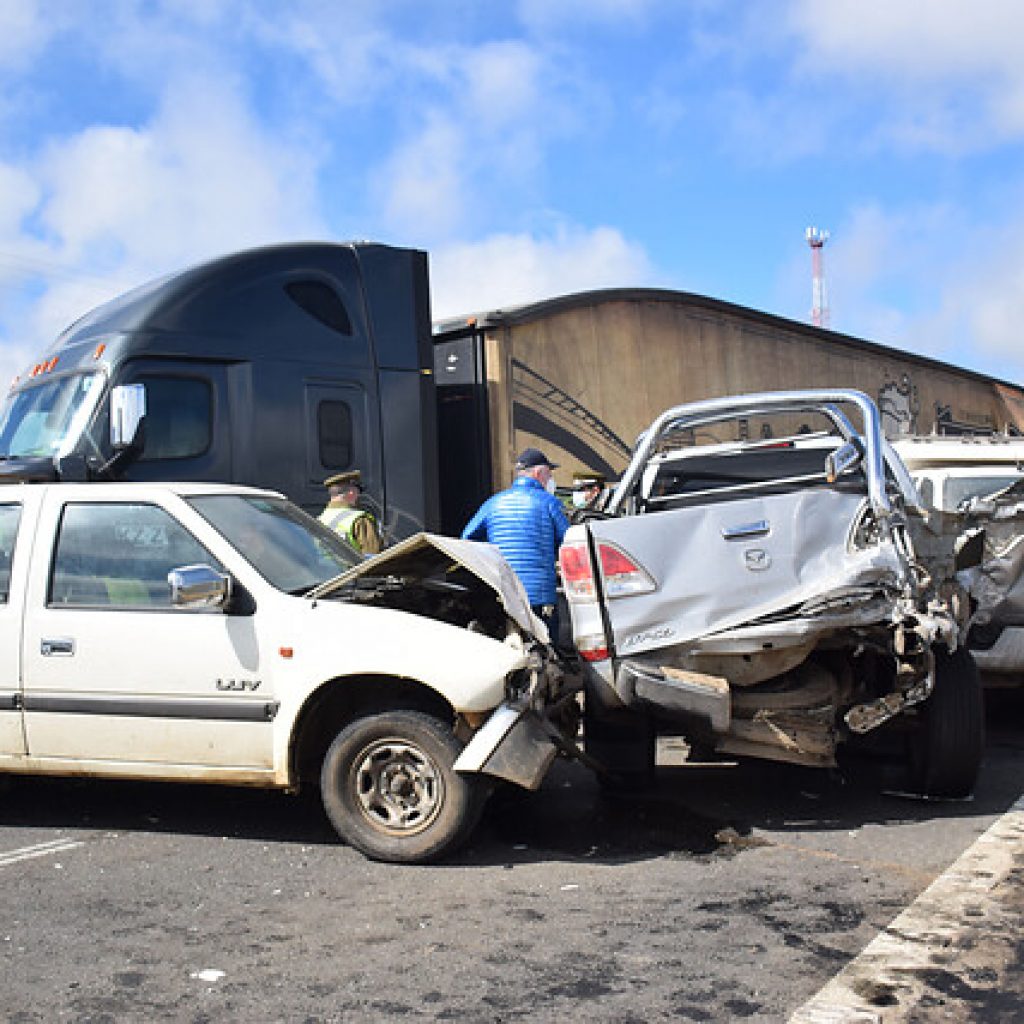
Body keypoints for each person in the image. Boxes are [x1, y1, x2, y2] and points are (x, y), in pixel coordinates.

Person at [461, 447, 569, 642]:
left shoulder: (493, 503)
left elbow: (467, 538)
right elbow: (569, 541)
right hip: (539, 596)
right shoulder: (550, 503)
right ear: (539, 473)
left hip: (503, 593)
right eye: (549, 474)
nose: (550, 479)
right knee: (548, 645)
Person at [319, 470, 383, 555]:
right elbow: (373, 556)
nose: (358, 495)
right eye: (358, 491)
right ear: (351, 493)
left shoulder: (320, 519)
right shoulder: (359, 520)